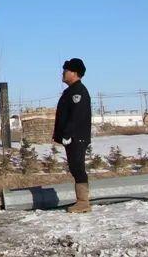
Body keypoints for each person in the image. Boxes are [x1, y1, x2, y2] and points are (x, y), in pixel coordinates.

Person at [53, 58, 93, 213]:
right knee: (75, 167)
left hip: (77, 137)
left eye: (66, 70)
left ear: (74, 73)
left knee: (78, 167)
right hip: (72, 137)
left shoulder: (78, 92)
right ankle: (82, 201)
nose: (63, 73)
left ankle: (83, 202)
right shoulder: (71, 91)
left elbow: (76, 116)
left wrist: (68, 133)